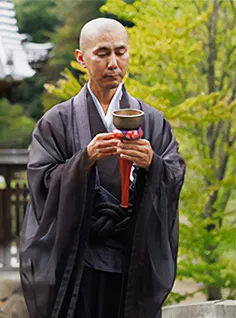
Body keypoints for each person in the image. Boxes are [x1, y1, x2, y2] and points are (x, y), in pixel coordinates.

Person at [19, 18, 186, 318]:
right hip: (80, 262)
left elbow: (174, 175)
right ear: (81, 58)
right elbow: (40, 181)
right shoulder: (56, 122)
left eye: (121, 52)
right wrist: (84, 160)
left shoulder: (153, 120)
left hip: (134, 257)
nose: (113, 63)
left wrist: (152, 164)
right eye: (102, 53)